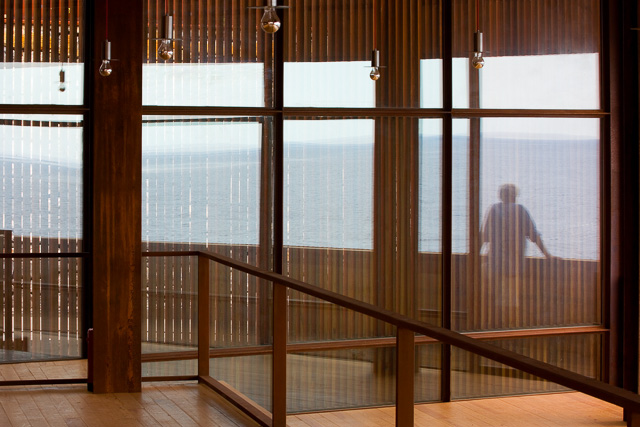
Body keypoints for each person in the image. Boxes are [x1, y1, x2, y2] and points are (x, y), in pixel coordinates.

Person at [482, 184, 552, 278]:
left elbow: (484, 237)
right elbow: (534, 236)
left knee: (483, 268)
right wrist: (547, 255)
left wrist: (474, 256)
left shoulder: (493, 209)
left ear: (500, 196)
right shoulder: (521, 210)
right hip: (516, 268)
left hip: (495, 266)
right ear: (514, 196)